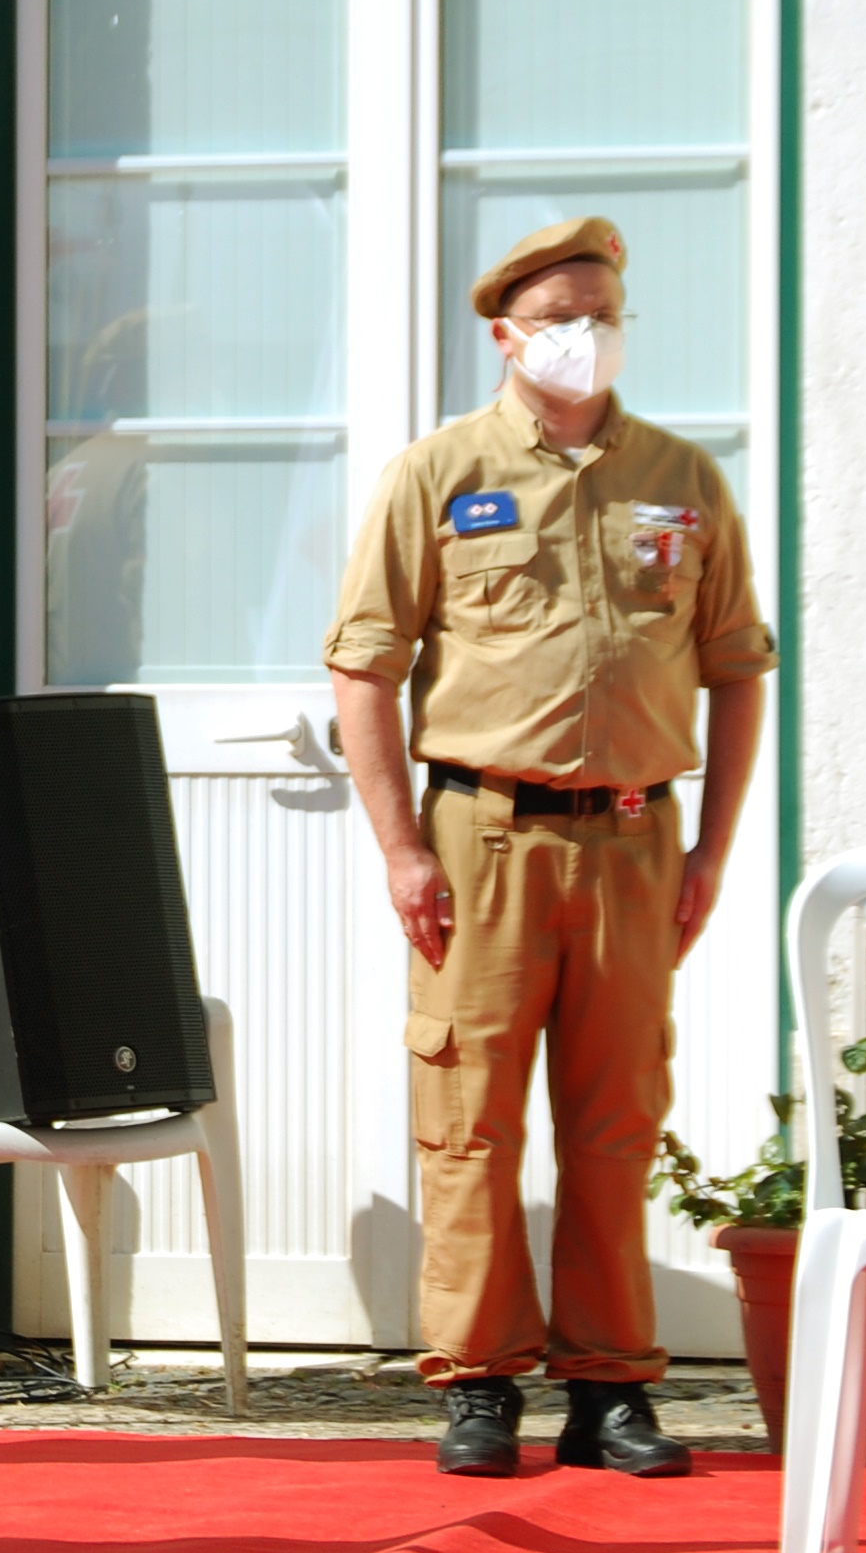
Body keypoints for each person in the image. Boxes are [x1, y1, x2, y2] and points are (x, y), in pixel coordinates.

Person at [324, 216, 773, 1481]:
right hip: (481, 838)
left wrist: (710, 850)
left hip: (633, 840)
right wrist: (402, 848)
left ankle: (608, 1388)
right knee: (467, 1114)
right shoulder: (436, 474)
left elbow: (736, 668)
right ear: (503, 334)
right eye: (559, 317)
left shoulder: (682, 479)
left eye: (602, 314)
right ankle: (478, 1381)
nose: (585, 335)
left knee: (614, 1119)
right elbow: (363, 668)